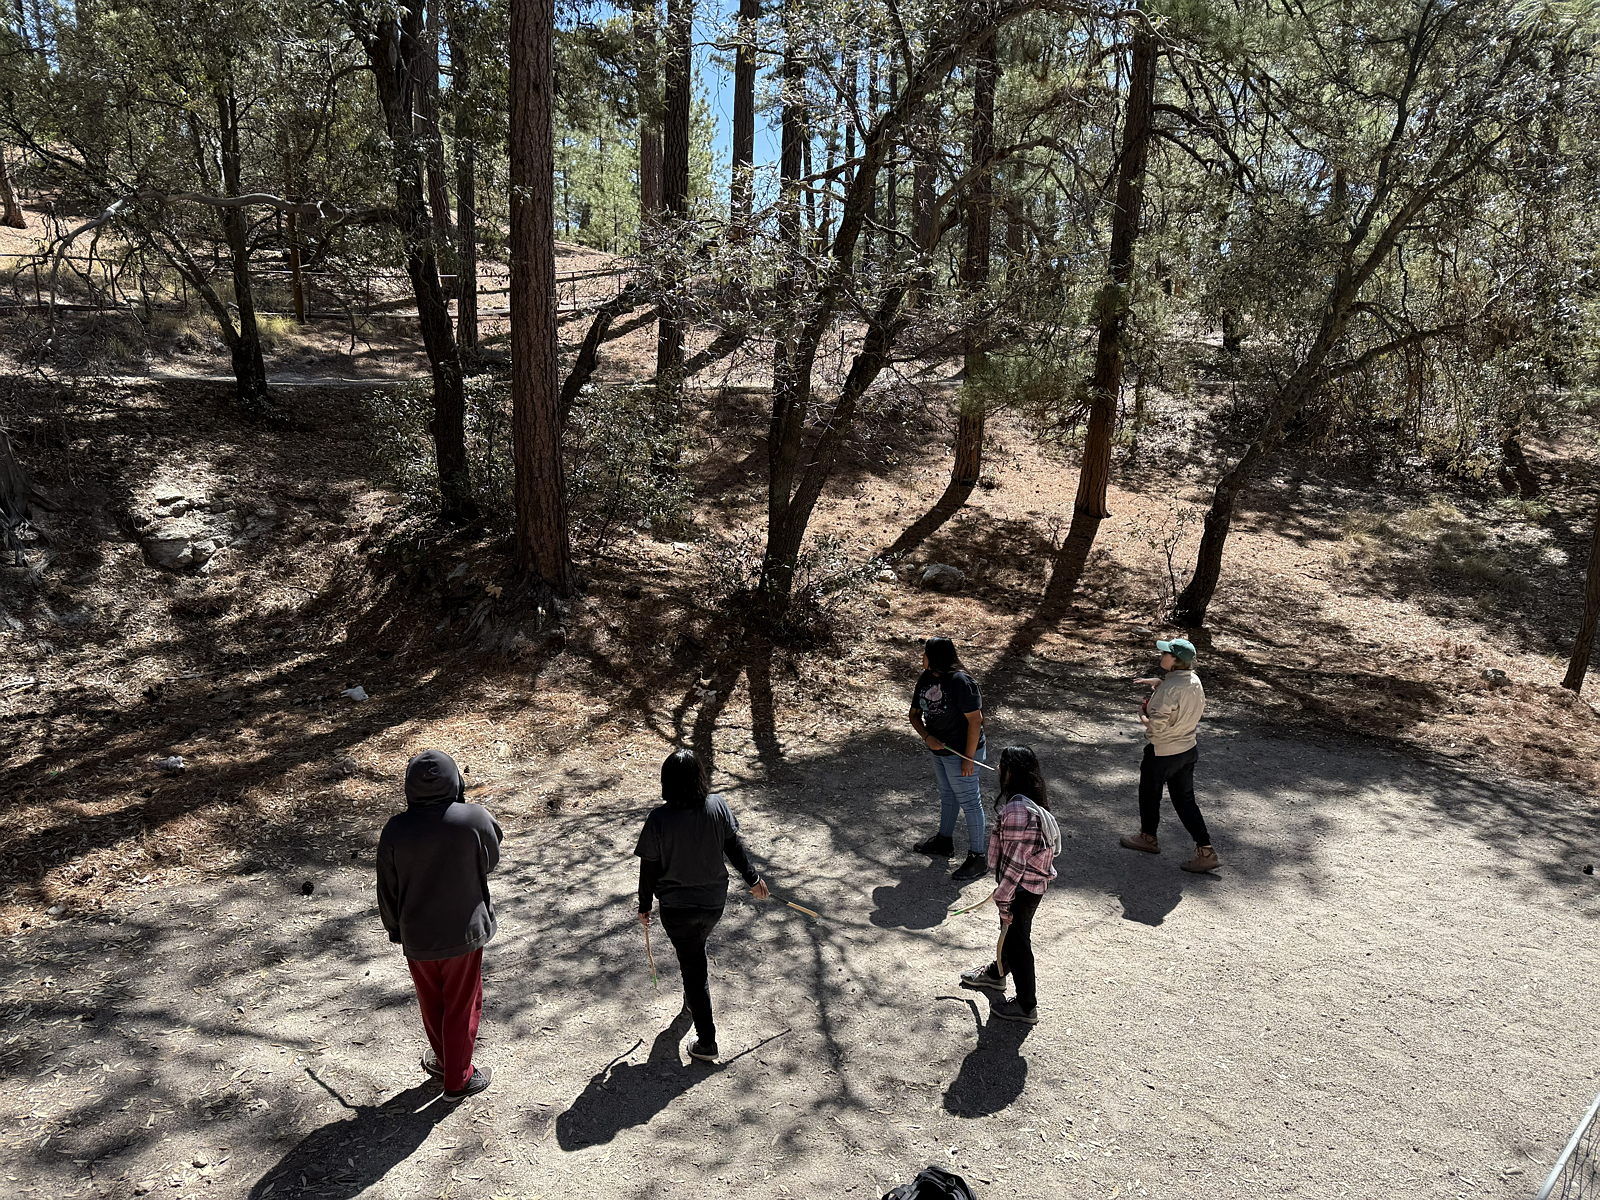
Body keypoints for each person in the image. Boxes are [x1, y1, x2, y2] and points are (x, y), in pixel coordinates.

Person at [377, 749, 503, 1100]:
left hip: (417, 934)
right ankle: (457, 1079)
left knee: (432, 1001)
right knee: (462, 1004)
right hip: (463, 931)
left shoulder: (396, 829)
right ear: (455, 781)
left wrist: (394, 928)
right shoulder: (474, 818)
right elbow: (491, 859)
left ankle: (445, 1062)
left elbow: (387, 886)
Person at [636, 749, 769, 1063]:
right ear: (700, 778)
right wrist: (753, 879)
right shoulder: (718, 805)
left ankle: (707, 1042)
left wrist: (644, 906)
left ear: (667, 781)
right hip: (712, 904)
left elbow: (649, 868)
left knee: (694, 967)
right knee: (695, 954)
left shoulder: (658, 820)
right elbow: (733, 847)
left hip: (677, 909)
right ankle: (692, 997)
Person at [959, 746, 1059, 1024]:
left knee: (1018, 942)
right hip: (1028, 886)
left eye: (1002, 765)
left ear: (1011, 772)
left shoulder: (1017, 810)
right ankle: (997, 974)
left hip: (1020, 888)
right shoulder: (1030, 801)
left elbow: (1016, 863)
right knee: (1011, 934)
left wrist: (1003, 898)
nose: (998, 770)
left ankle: (1027, 1006)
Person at [1119, 637, 1219, 872]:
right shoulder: (1194, 680)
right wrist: (1159, 684)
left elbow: (1156, 726)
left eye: (1166, 653)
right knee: (1185, 801)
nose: (1161, 656)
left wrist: (1142, 714)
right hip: (1187, 749)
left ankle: (1148, 837)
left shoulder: (1169, 689)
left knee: (1149, 793)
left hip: (1162, 752)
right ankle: (1206, 850)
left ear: (1175, 661)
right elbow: (1179, 697)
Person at [909, 636, 989, 883]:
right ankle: (944, 841)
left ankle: (978, 857)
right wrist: (927, 737)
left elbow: (975, 721)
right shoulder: (925, 679)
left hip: (962, 752)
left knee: (970, 801)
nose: (922, 657)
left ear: (935, 657)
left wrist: (969, 758)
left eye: (925, 653)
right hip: (939, 750)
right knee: (948, 795)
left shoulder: (960, 682)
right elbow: (914, 715)